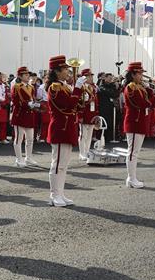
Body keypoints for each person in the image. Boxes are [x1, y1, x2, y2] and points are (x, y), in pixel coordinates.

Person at [46, 55, 85, 207]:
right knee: (57, 164)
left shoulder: (64, 86)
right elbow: (67, 105)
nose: (68, 72)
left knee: (64, 164)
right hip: (60, 128)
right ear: (56, 71)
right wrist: (77, 89)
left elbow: (76, 105)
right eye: (65, 69)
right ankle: (54, 195)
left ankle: (60, 193)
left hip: (67, 126)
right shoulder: (55, 87)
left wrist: (81, 94)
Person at [123, 62, 155, 188]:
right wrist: (154, 98)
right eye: (139, 73)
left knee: (135, 151)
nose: (142, 76)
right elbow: (142, 103)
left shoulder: (139, 86)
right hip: (134, 122)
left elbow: (150, 99)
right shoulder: (131, 87)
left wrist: (150, 88)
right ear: (132, 74)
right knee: (133, 152)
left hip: (140, 121)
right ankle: (131, 178)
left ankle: (133, 177)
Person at [11, 66, 39, 167]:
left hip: (29, 115)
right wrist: (27, 104)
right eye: (26, 74)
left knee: (30, 139)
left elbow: (33, 99)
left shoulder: (31, 87)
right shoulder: (16, 87)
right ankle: (19, 159)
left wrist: (35, 104)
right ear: (20, 76)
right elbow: (15, 101)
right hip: (20, 115)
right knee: (19, 139)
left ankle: (29, 157)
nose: (28, 76)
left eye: (28, 74)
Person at [78, 69, 100, 161]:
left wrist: (96, 115)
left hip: (91, 114)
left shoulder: (93, 87)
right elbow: (78, 104)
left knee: (89, 135)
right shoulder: (81, 88)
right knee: (83, 135)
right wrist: (80, 116)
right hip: (84, 114)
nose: (91, 77)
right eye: (89, 76)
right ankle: (81, 153)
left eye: (91, 76)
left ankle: (87, 151)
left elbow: (96, 102)